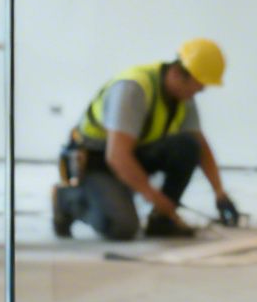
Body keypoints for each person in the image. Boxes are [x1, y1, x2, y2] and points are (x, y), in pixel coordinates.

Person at [51, 40, 241, 241]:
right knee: (122, 227)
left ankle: (161, 221)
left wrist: (220, 194)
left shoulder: (183, 97)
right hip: (95, 162)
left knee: (186, 146)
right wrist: (155, 198)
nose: (200, 91)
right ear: (177, 73)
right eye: (199, 86)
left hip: (130, 155)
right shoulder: (133, 89)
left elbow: (199, 145)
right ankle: (67, 200)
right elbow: (116, 156)